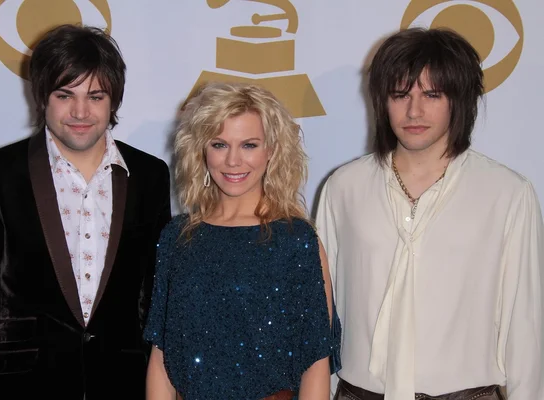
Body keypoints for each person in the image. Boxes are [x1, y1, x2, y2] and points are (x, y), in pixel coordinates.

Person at [0, 24, 171, 400]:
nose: (80, 111)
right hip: (21, 387)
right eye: (65, 94)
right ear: (42, 96)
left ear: (113, 100)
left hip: (122, 384)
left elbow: (155, 296)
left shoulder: (149, 175)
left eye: (95, 96)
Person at [316, 27, 544, 400]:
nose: (414, 111)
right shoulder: (344, 187)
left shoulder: (507, 194)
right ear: (382, 101)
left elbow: (525, 328)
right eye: (400, 94)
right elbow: (321, 316)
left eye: (432, 94)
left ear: (460, 100)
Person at [144, 82, 340, 399]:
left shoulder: (296, 240)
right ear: (201, 150)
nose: (233, 160)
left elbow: (316, 361)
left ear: (272, 151)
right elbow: (161, 355)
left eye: (249, 145)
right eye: (219, 144)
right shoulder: (178, 237)